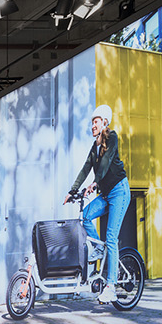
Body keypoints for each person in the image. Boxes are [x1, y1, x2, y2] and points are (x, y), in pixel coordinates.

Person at [66, 103, 130, 304]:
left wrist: (95, 183)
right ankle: (99, 249)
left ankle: (111, 287)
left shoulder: (112, 138)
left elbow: (106, 162)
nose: (92, 125)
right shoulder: (94, 148)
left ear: (104, 123)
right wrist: (72, 191)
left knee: (111, 236)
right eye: (92, 122)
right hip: (106, 194)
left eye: (96, 122)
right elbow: (85, 169)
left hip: (119, 192)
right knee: (86, 216)